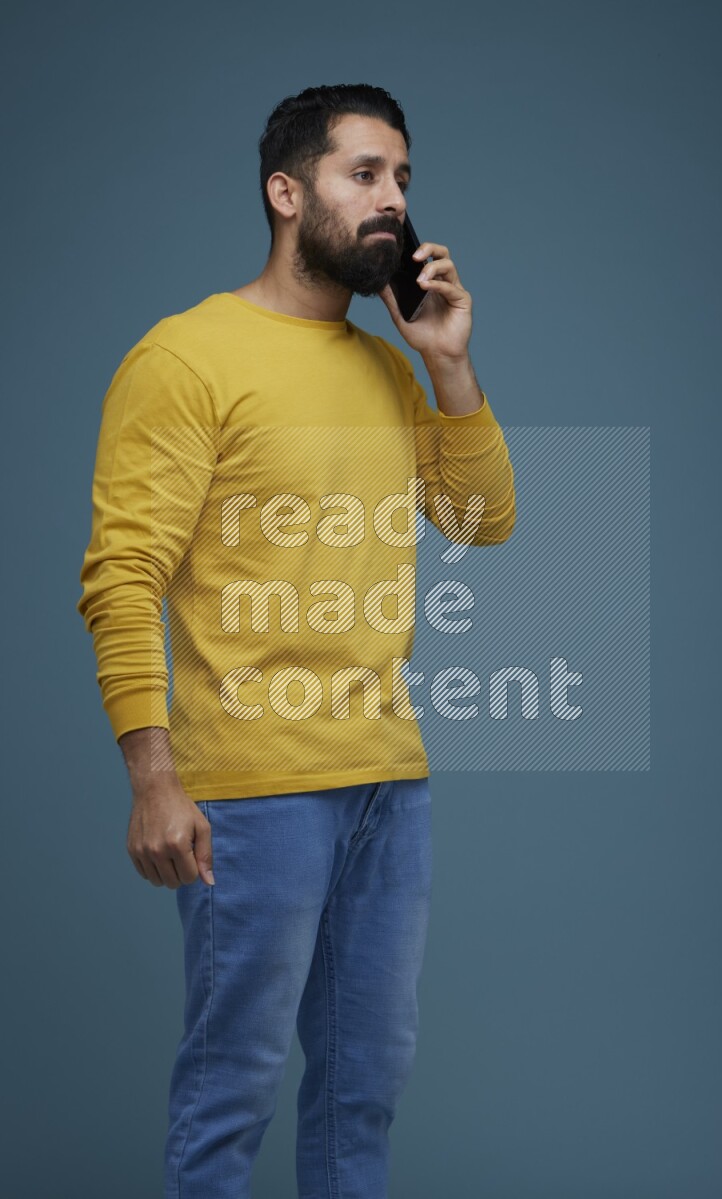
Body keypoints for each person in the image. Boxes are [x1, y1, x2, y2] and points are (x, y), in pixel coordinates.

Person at [76, 82, 516, 1199]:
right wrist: (153, 777)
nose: (392, 199)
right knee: (232, 1083)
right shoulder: (186, 357)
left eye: (401, 178)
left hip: (387, 783)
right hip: (252, 790)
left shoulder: (386, 367)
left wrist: (448, 364)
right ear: (285, 192)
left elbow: (481, 520)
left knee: (363, 1087)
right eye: (363, 174)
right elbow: (122, 577)